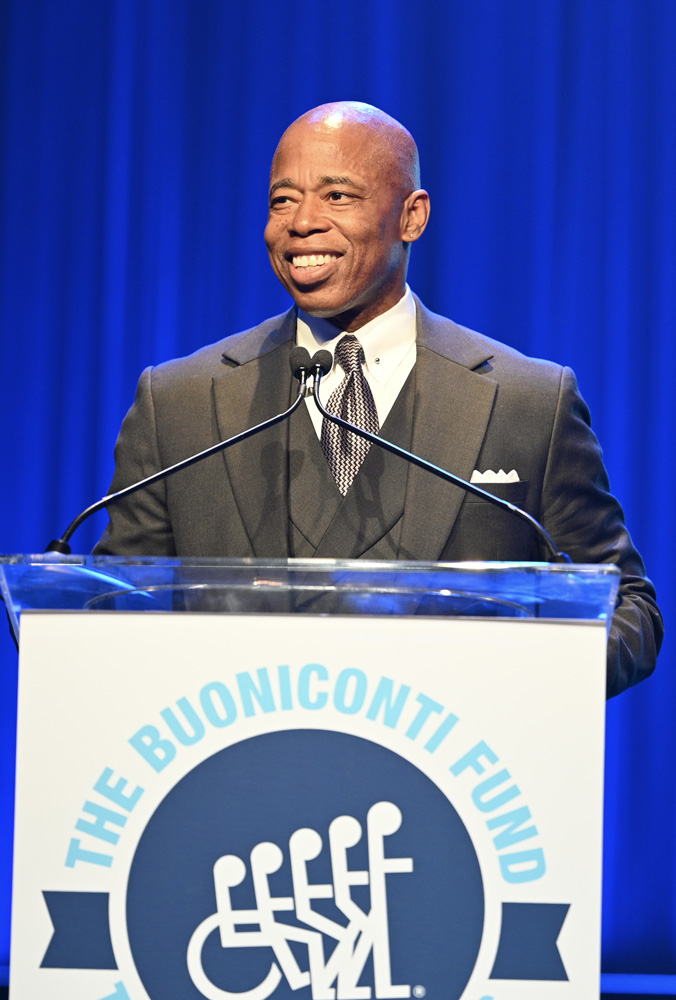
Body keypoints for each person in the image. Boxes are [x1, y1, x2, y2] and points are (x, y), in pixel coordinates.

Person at [95, 101, 662, 697]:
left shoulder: (530, 403)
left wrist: (513, 682)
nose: (301, 222)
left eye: (337, 196)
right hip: (236, 770)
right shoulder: (179, 402)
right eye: (282, 199)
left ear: (411, 217)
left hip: (451, 774)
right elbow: (112, 605)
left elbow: (628, 610)